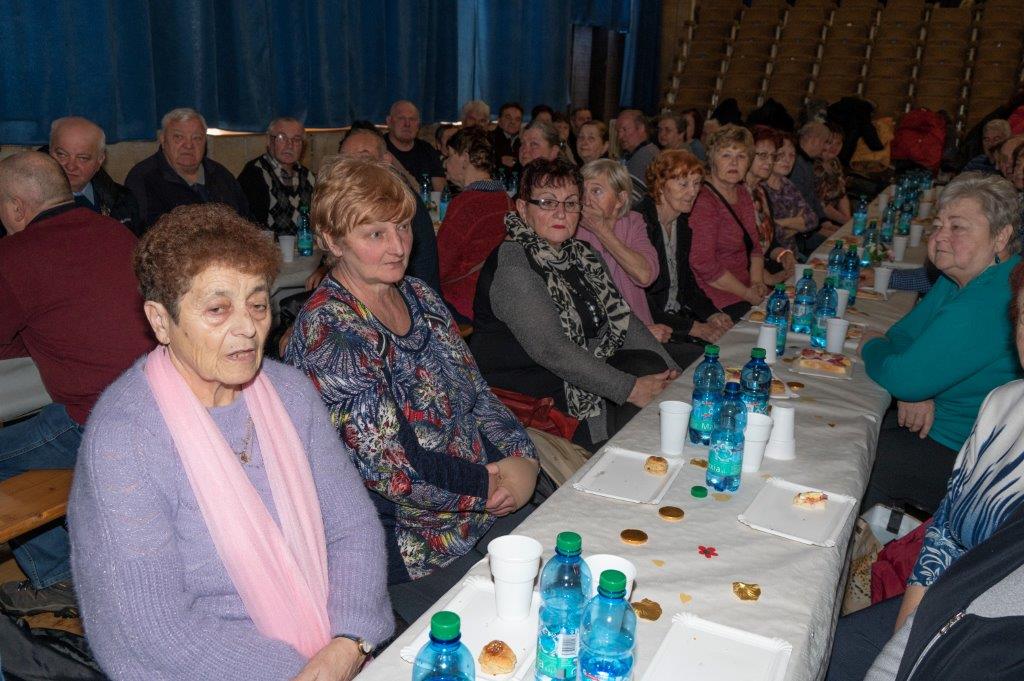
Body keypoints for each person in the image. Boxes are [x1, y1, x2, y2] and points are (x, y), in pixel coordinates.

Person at [69, 204, 392, 680]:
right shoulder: (126, 439)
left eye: (257, 305)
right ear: (160, 321)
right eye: (218, 309)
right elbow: (158, 629)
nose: (246, 328)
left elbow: (352, 527)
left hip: (333, 647)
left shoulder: (289, 394)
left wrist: (350, 640)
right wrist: (303, 671)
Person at [285, 158, 538, 624]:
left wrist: (523, 456)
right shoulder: (331, 331)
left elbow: (478, 394)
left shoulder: (419, 295)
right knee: (509, 625)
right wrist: (491, 485)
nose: (399, 246)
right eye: (375, 233)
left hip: (482, 501)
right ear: (333, 241)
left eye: (402, 226)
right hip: (410, 542)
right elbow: (395, 471)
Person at [827, 257, 1024, 681]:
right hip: (948, 603)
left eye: (959, 227)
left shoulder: (979, 300)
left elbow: (907, 372)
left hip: (998, 638)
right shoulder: (1004, 404)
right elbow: (946, 534)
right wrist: (906, 634)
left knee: (858, 462)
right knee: (832, 651)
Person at [0, 152, 153, 616]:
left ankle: (57, 577)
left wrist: (32, 336)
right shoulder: (117, 233)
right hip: (159, 402)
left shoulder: (14, 256)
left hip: (98, 417)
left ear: (17, 207)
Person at [470, 158, 680, 451]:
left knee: (652, 369)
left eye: (570, 203)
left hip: (580, 373)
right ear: (522, 208)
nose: (561, 213)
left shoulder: (583, 254)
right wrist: (630, 389)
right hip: (532, 398)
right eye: (547, 202)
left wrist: (674, 375)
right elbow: (552, 350)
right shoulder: (515, 265)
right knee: (643, 413)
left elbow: (622, 319)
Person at [860, 172, 1023, 515]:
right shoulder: (959, 279)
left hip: (962, 456)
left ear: (1001, 236)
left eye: (957, 227)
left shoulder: (992, 298)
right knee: (860, 426)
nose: (940, 237)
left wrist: (871, 344)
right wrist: (921, 388)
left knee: (854, 454)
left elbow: (902, 373)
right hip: (933, 430)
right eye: (938, 225)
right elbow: (903, 335)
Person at [579, 159, 705, 370]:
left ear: (620, 199)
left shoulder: (633, 222)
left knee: (701, 359)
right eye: (582, 191)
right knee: (666, 368)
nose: (586, 199)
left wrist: (602, 230)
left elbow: (645, 275)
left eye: (596, 191)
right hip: (607, 343)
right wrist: (638, 334)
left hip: (645, 335)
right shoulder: (574, 232)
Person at [308, 126, 440, 292]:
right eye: (346, 161)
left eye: (364, 158)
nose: (398, 249)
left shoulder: (403, 204)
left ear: (386, 161)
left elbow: (424, 273)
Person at [638, 150, 733, 349]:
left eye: (696, 183)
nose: (692, 192)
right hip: (651, 329)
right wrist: (694, 328)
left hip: (677, 320)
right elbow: (642, 301)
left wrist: (712, 313)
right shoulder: (639, 223)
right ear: (660, 185)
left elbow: (686, 282)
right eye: (683, 184)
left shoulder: (680, 222)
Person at [688, 124, 767, 320]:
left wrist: (757, 282)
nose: (734, 163)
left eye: (741, 156)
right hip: (716, 295)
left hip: (745, 287)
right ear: (712, 159)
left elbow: (755, 247)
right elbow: (703, 263)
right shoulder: (704, 200)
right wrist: (747, 294)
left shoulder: (742, 192)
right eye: (726, 155)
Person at [125, 108, 248, 229]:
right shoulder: (143, 178)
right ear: (163, 140)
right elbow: (146, 233)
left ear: (205, 142)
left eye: (197, 138)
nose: (189, 145)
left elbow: (247, 221)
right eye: (178, 137)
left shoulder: (221, 174)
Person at [437, 127, 512, 322]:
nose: (445, 163)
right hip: (496, 301)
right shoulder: (505, 200)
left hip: (463, 302)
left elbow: (440, 264)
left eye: (449, 156)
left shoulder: (465, 204)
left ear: (464, 158)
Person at [46, 116, 141, 235]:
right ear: (49, 153)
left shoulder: (122, 199)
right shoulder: (30, 202)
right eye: (62, 155)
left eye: (82, 158)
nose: (71, 166)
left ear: (99, 161)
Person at [236, 117, 315, 237]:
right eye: (282, 138)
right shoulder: (255, 174)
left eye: (296, 139)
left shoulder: (308, 177)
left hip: (306, 247)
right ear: (268, 141)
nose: (290, 145)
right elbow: (250, 227)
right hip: (268, 247)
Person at [746, 126, 797, 286]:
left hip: (765, 268)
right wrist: (768, 277)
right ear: (746, 154)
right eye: (763, 155)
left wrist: (784, 254)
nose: (769, 162)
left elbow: (771, 243)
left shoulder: (761, 192)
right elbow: (737, 253)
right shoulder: (736, 194)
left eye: (773, 156)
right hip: (747, 276)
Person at [764, 132, 820, 258]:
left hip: (793, 255)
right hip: (772, 259)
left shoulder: (787, 184)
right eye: (781, 154)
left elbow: (812, 219)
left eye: (792, 155)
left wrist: (782, 222)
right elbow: (767, 234)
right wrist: (797, 224)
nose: (787, 160)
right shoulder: (760, 187)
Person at [385, 100, 445, 192]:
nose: (407, 124)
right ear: (389, 121)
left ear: (418, 125)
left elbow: (441, 191)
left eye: (412, 119)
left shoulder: (427, 150)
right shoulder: (379, 148)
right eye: (401, 118)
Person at [814, 122, 852, 225]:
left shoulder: (835, 161)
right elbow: (821, 204)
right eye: (829, 142)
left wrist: (847, 218)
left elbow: (842, 194)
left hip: (835, 215)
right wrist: (846, 222)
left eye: (838, 143)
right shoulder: (814, 166)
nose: (834, 147)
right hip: (817, 217)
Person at [615, 109, 658, 191]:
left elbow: (633, 194)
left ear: (641, 128)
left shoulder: (645, 156)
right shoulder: (637, 153)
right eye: (618, 131)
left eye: (624, 129)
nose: (620, 136)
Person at [491, 102, 524, 170]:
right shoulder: (489, 139)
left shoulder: (524, 141)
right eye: (508, 118)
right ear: (499, 120)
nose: (513, 122)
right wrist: (499, 161)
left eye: (517, 119)